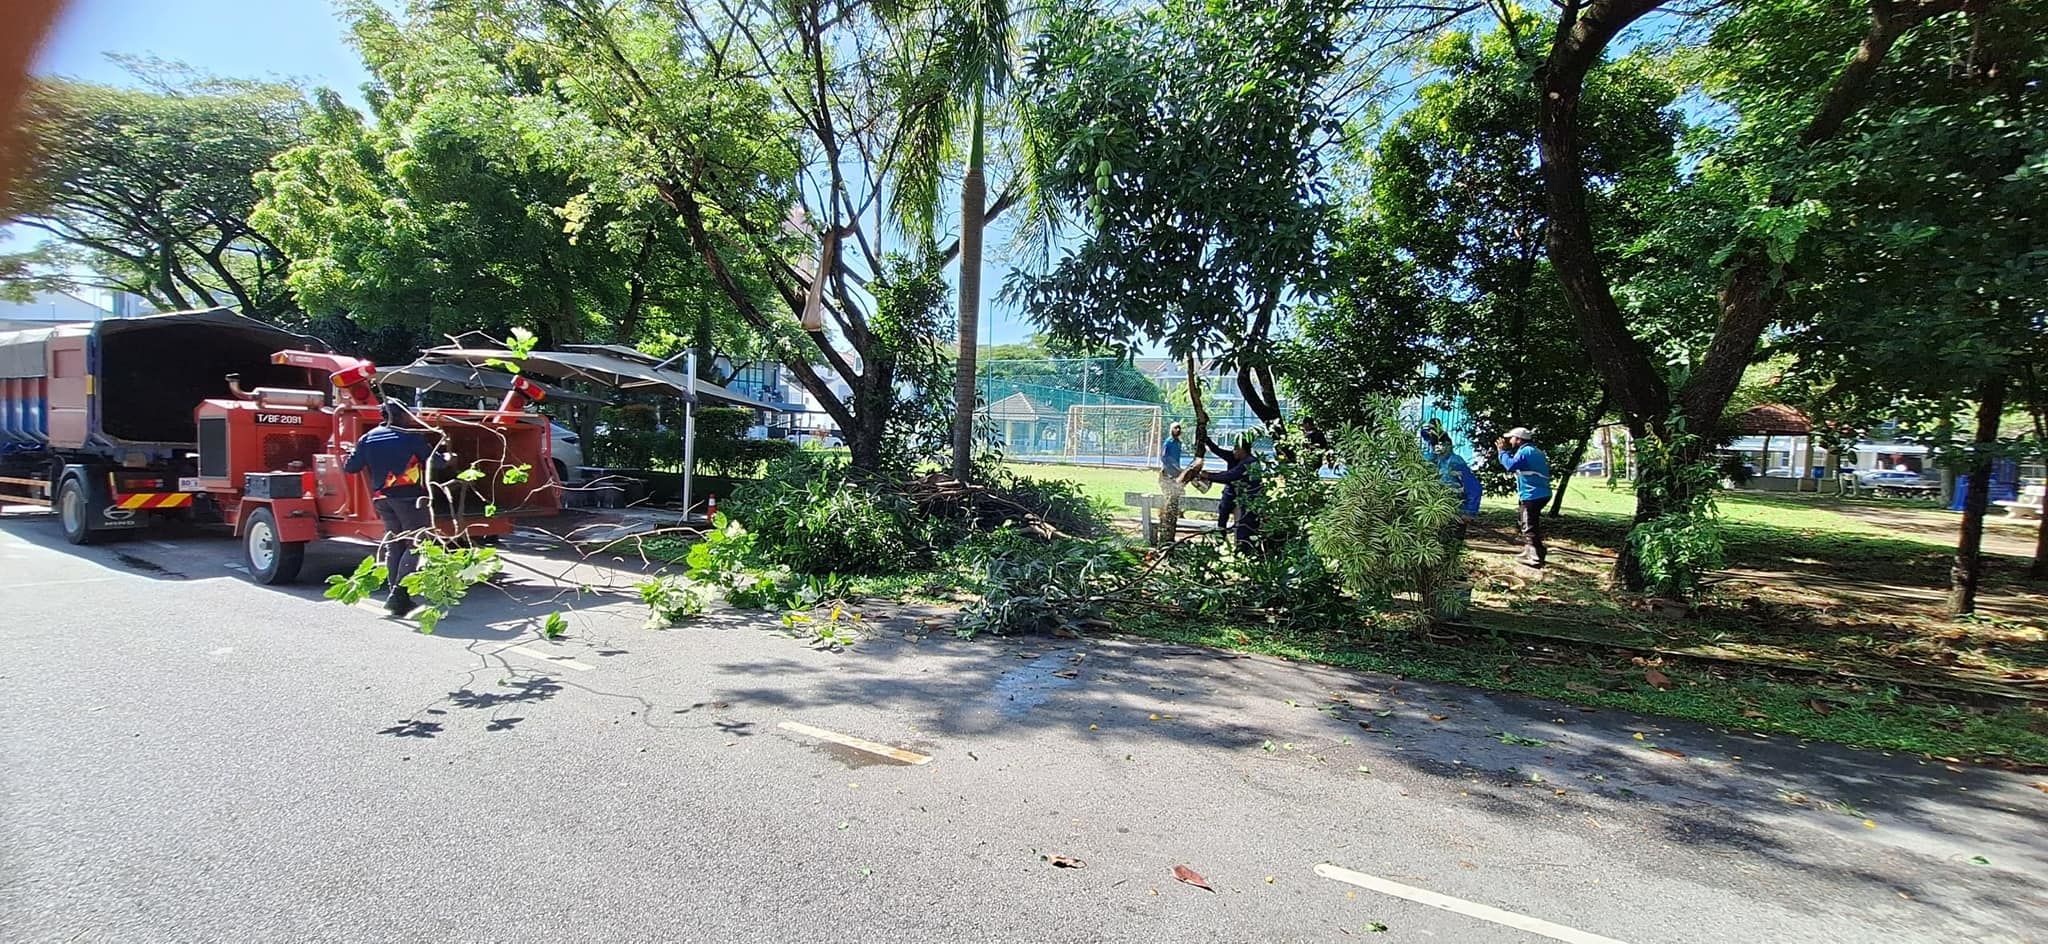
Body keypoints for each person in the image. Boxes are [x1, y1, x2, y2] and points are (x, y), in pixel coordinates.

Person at [342, 402, 437, 615]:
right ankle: (399, 594)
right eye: (408, 415)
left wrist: (350, 452)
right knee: (416, 544)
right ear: (400, 416)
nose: (411, 418)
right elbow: (436, 463)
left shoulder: (368, 438)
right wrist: (449, 457)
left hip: (382, 499)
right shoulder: (411, 438)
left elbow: (351, 467)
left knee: (395, 545)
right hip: (409, 499)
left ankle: (397, 597)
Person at [1495, 426, 1552, 566]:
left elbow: (1510, 465)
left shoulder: (1526, 452)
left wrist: (1501, 452)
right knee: (1525, 523)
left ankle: (1536, 558)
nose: (1510, 440)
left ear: (1519, 439)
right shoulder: (1533, 450)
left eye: (1512, 438)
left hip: (1533, 494)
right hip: (1537, 493)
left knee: (1529, 526)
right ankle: (1530, 551)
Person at [1201, 438, 1263, 549]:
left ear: (1242, 450)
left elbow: (1230, 475)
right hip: (1233, 493)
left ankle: (1243, 549)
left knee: (1244, 525)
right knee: (1223, 513)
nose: (1233, 451)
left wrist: (1209, 476)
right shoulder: (1235, 457)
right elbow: (1217, 450)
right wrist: (1206, 439)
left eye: (1235, 449)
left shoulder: (1249, 462)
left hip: (1248, 499)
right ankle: (1221, 539)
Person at [1432, 440, 1482, 529]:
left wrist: (1469, 512)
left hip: (1455, 512)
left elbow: (1474, 487)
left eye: (1441, 445)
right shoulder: (1434, 461)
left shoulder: (1455, 462)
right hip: (1435, 511)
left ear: (1449, 446)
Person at [1157, 422, 1188, 544]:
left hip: (1176, 472)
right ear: (1171, 430)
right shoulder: (1168, 442)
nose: (1178, 429)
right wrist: (1172, 466)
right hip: (1167, 472)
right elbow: (1164, 457)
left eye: (1179, 427)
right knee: (1169, 494)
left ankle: (1179, 513)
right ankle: (1164, 516)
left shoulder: (1179, 443)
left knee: (1180, 492)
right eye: (1176, 427)